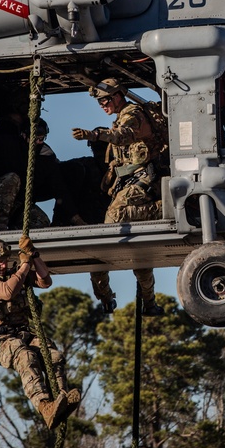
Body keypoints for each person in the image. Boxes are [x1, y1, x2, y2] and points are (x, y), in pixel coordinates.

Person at [72, 79, 165, 316]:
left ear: (117, 96)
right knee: (137, 253)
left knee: (112, 223)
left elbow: (123, 135)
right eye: (100, 101)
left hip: (145, 183)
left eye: (105, 100)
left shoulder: (132, 113)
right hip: (129, 185)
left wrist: (95, 135)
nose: (102, 105)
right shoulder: (121, 116)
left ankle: (164, 209)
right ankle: (138, 302)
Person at [0, 236, 81, 429]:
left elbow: (45, 280)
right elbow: (6, 292)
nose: (3, 265)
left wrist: (33, 256)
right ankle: (44, 406)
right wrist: (23, 266)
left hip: (24, 334)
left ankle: (61, 397)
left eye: (5, 261)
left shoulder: (15, 275)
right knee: (26, 356)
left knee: (53, 355)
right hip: (2, 340)